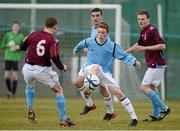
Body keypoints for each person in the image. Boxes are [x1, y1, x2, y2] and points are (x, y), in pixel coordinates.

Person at [73, 21, 141, 127]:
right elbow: (81, 44)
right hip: (89, 67)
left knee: (118, 93)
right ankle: (89, 98)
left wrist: (134, 61)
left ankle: (134, 118)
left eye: (103, 33)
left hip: (104, 72)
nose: (100, 35)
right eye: (99, 32)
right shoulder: (90, 41)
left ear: (107, 34)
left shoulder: (112, 46)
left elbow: (124, 55)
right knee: (85, 76)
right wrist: (75, 50)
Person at [20, 17, 75, 127]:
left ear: (45, 25)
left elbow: (22, 47)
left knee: (30, 85)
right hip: (41, 70)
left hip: (27, 69)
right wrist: (61, 66)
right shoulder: (53, 40)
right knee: (59, 90)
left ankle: (30, 108)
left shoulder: (34, 34)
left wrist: (26, 39)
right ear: (55, 27)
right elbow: (53, 55)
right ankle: (63, 119)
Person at [126, 10, 171, 122]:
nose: (140, 21)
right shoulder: (143, 31)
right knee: (152, 87)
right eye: (139, 19)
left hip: (156, 63)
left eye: (143, 19)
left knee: (143, 87)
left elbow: (162, 45)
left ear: (148, 19)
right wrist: (125, 52)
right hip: (155, 64)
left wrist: (144, 48)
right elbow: (138, 45)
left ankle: (164, 108)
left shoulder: (152, 30)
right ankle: (155, 115)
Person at [74, 8, 117, 121]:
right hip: (90, 64)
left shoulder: (104, 33)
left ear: (101, 17)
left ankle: (111, 112)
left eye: (97, 15)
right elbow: (92, 44)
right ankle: (90, 104)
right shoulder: (94, 29)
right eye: (93, 15)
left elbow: (106, 48)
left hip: (100, 66)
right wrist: (87, 48)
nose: (95, 17)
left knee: (103, 90)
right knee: (78, 82)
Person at [0, 21, 25, 98]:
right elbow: (2, 46)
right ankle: (9, 91)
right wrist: (8, 45)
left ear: (19, 27)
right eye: (14, 26)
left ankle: (13, 93)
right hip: (8, 58)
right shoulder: (8, 35)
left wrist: (17, 47)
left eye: (17, 26)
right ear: (12, 27)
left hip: (16, 59)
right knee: (7, 76)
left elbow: (24, 47)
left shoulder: (21, 36)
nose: (16, 27)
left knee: (14, 75)